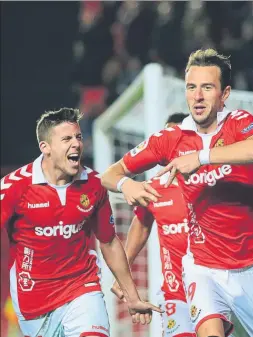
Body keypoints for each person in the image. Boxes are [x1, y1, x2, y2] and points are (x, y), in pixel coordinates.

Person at [101, 49, 253, 337]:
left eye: (207, 88)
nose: (197, 96)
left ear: (224, 94)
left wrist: (202, 157)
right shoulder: (170, 138)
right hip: (203, 266)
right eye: (191, 87)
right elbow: (110, 174)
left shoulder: (239, 123)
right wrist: (127, 184)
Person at [0, 108, 162, 337]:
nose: (76, 144)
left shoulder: (94, 184)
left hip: (81, 287)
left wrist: (132, 296)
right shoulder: (14, 187)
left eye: (78, 137)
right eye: (66, 139)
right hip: (34, 302)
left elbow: (109, 242)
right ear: (45, 147)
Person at [111, 113, 196, 337]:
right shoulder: (152, 189)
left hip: (216, 286)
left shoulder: (212, 181)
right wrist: (124, 272)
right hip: (175, 293)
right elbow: (141, 224)